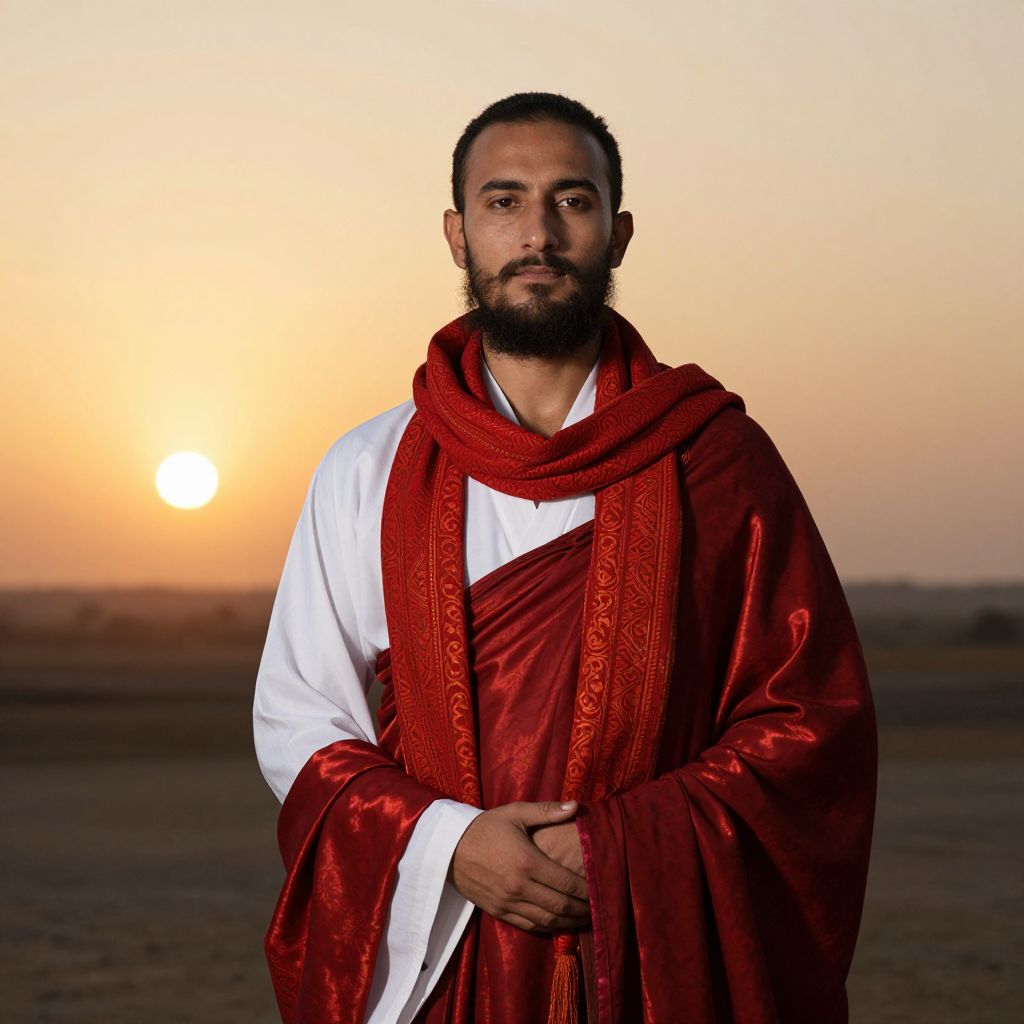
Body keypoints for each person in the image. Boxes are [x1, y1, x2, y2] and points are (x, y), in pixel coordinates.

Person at [253, 92, 878, 1024]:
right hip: (443, 953)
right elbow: (300, 714)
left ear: (619, 234)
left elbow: (807, 716)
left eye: (572, 201)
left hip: (656, 957)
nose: (537, 232)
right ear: (458, 235)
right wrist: (449, 844)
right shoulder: (367, 469)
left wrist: (623, 846)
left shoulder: (715, 460)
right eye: (504, 202)